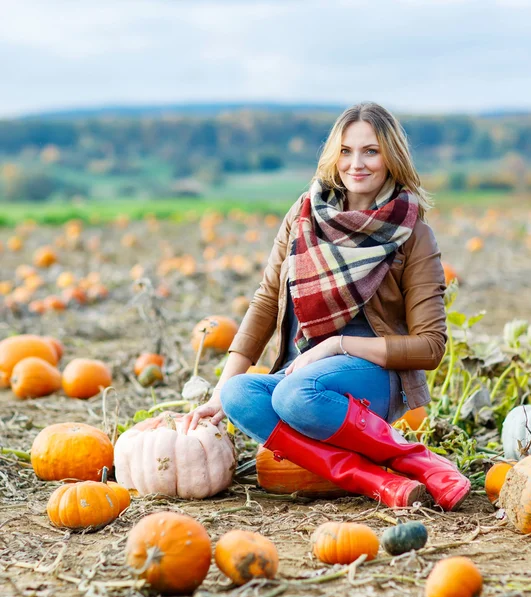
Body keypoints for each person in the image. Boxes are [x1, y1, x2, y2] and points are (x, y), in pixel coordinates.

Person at [181, 102, 470, 511]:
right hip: (301, 376)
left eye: (371, 151)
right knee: (238, 394)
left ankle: (418, 460)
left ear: (392, 157)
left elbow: (431, 347)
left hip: (371, 379)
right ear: (334, 156)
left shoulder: (413, 234)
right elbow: (266, 300)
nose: (357, 164)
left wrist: (340, 345)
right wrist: (217, 393)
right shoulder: (303, 216)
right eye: (347, 151)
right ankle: (374, 481)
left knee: (295, 394)